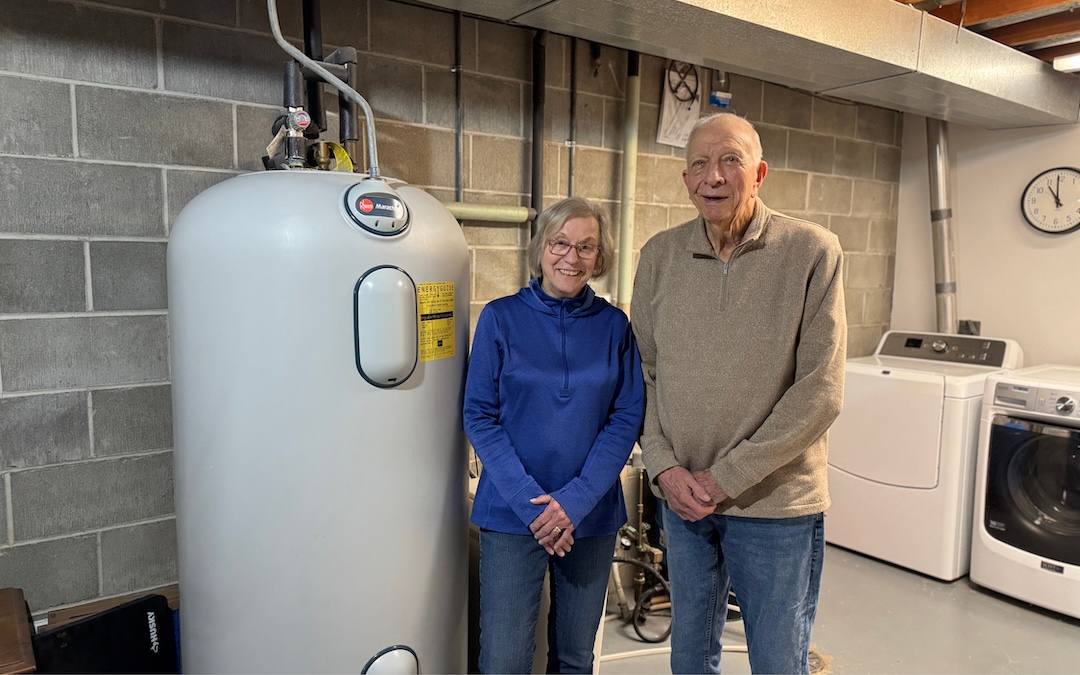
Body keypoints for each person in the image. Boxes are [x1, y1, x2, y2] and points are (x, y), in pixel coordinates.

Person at [630, 111, 846, 674]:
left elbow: (820, 391)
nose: (714, 176)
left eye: (730, 160)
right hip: (681, 503)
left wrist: (723, 479)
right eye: (699, 163)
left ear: (760, 173)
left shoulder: (812, 252)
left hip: (774, 505)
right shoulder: (658, 257)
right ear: (685, 180)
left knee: (777, 660)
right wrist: (663, 468)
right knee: (689, 659)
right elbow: (644, 373)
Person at [464, 197, 645, 674]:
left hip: (590, 516)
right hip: (511, 512)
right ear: (541, 248)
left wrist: (575, 502)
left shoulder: (614, 327)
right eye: (560, 243)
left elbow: (626, 418)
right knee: (503, 660)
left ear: (599, 257)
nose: (572, 256)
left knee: (574, 658)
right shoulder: (500, 319)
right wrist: (534, 505)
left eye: (586, 247)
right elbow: (479, 416)